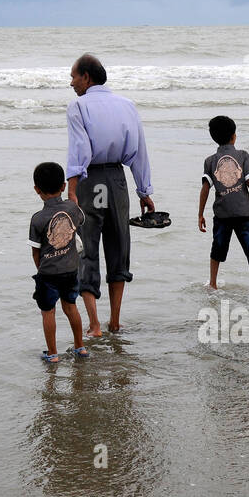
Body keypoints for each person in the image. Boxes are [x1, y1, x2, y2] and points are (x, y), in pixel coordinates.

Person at [65, 53, 155, 336]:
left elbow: (79, 149)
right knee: (118, 246)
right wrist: (144, 190)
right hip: (117, 181)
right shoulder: (127, 105)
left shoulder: (78, 106)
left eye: (73, 77)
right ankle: (115, 321)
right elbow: (139, 150)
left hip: (90, 180)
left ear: (86, 77)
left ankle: (94, 325)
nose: (71, 83)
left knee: (86, 248)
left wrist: (71, 189)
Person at [198, 115, 249, 305]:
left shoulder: (210, 161)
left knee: (217, 249)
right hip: (244, 214)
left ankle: (213, 284)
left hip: (222, 214)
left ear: (213, 137)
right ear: (234, 136)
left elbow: (205, 189)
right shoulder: (243, 156)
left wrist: (200, 214)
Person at [29, 162, 87, 363]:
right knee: (71, 307)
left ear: (37, 189)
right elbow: (81, 220)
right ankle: (80, 347)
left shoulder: (37, 219)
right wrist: (74, 201)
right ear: (63, 186)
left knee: (48, 312)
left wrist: (41, 270)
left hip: (48, 273)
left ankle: (53, 354)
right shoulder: (72, 209)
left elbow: (35, 252)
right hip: (70, 270)